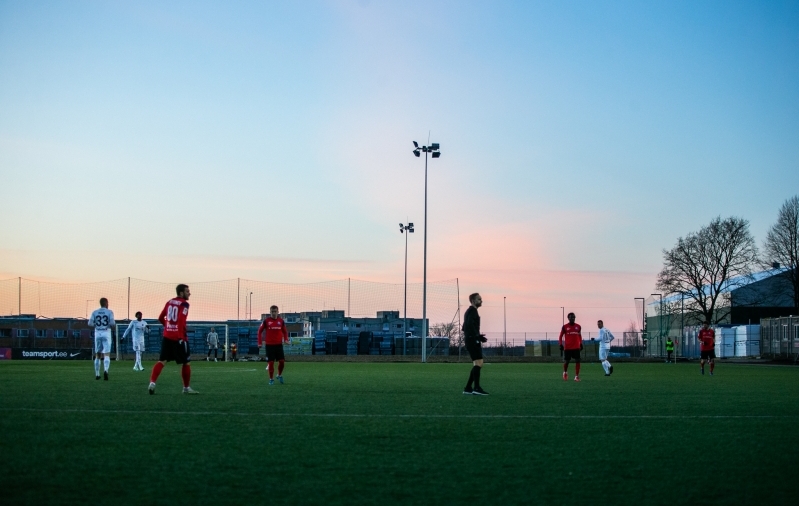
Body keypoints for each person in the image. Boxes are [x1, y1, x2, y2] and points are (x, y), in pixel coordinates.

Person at [148, 284, 198, 394]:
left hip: (167, 336)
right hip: (179, 337)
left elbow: (161, 317)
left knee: (162, 361)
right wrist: (180, 336)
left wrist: (168, 326)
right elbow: (180, 319)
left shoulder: (169, 302)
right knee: (186, 362)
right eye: (187, 291)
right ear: (181, 293)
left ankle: (152, 382)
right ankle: (186, 388)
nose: (189, 293)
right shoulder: (184, 304)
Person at [462, 293, 489, 395]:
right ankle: (476, 388)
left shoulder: (469, 311)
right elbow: (468, 326)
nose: (481, 301)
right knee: (479, 363)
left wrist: (477, 336)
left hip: (471, 340)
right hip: (472, 341)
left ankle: (468, 388)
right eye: (479, 299)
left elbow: (464, 327)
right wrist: (477, 337)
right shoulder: (472, 311)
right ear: (473, 301)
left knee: (477, 363)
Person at [257, 305, 289, 385]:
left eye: (275, 312)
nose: (274, 313)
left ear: (278, 312)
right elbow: (259, 331)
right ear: (270, 312)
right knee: (271, 363)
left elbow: (285, 332)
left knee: (282, 362)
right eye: (272, 312)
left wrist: (286, 339)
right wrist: (260, 342)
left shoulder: (281, 321)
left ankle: (279, 375)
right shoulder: (266, 321)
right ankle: (271, 379)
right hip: (269, 345)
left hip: (278, 345)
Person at [88, 298, 115, 381]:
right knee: (107, 354)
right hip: (106, 332)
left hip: (98, 333)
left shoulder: (95, 312)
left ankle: (97, 374)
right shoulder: (109, 312)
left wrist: (96, 325)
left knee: (98, 355)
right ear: (106, 303)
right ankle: (106, 370)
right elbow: (112, 323)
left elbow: (89, 323)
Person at [559, 312, 583, 382]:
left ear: (575, 318)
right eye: (570, 317)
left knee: (578, 361)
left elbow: (579, 335)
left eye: (573, 317)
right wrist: (560, 344)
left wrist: (580, 343)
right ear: (568, 318)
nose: (572, 318)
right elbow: (560, 336)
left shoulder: (578, 326)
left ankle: (576, 376)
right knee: (567, 361)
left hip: (576, 347)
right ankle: (565, 372)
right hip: (568, 348)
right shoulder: (565, 327)